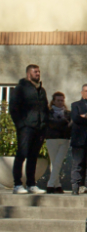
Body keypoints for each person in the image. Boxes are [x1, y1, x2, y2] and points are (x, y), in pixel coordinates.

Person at [9, 64, 49, 194]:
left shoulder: (41, 90)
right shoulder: (20, 89)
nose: (38, 74)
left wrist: (44, 124)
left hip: (39, 128)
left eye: (38, 71)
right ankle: (17, 184)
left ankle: (31, 184)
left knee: (33, 156)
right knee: (22, 154)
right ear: (28, 74)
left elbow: (45, 109)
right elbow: (14, 109)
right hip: (26, 128)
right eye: (35, 72)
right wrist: (21, 125)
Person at [45, 92, 71, 194]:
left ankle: (50, 185)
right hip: (51, 139)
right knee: (54, 162)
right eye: (58, 100)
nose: (60, 102)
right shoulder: (49, 112)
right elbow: (51, 124)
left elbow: (70, 125)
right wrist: (63, 123)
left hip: (64, 139)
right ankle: (57, 185)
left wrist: (60, 124)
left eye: (62, 100)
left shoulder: (68, 113)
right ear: (53, 101)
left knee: (58, 162)